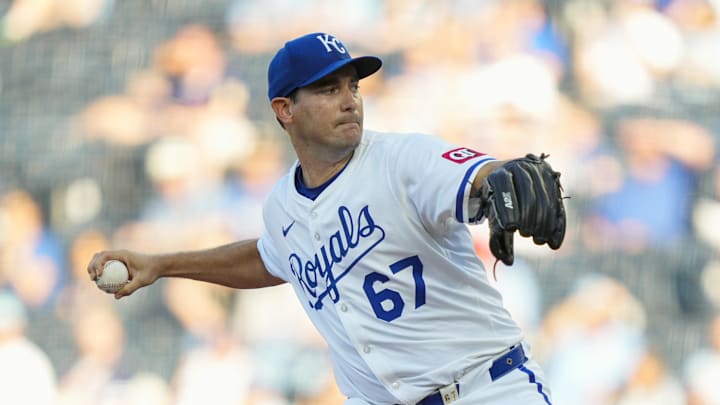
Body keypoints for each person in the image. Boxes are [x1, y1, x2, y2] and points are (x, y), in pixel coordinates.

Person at [88, 32, 558, 405]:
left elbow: (479, 175)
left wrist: (504, 174)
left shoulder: (402, 159)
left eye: (353, 86)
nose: (349, 99)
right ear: (284, 110)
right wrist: (162, 265)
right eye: (328, 89)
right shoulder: (281, 208)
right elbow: (270, 259)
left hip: (484, 388)